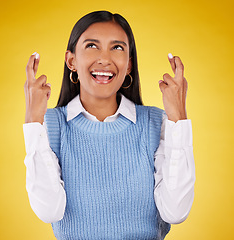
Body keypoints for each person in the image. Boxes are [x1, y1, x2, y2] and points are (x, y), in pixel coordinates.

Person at [23, 10, 195, 240]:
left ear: (129, 64)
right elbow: (49, 211)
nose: (105, 58)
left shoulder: (157, 124)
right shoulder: (51, 126)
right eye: (92, 46)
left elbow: (175, 212)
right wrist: (33, 122)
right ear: (71, 60)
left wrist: (178, 119)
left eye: (117, 48)